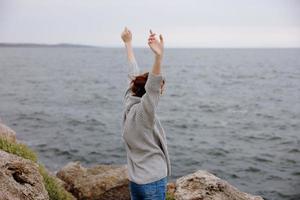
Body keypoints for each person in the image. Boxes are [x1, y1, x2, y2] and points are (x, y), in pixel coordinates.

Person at [121, 27, 171, 200]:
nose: (161, 91)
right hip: (153, 180)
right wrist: (158, 57)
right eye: (161, 88)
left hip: (136, 180)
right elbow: (152, 88)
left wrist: (128, 43)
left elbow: (132, 72)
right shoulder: (144, 112)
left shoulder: (129, 100)